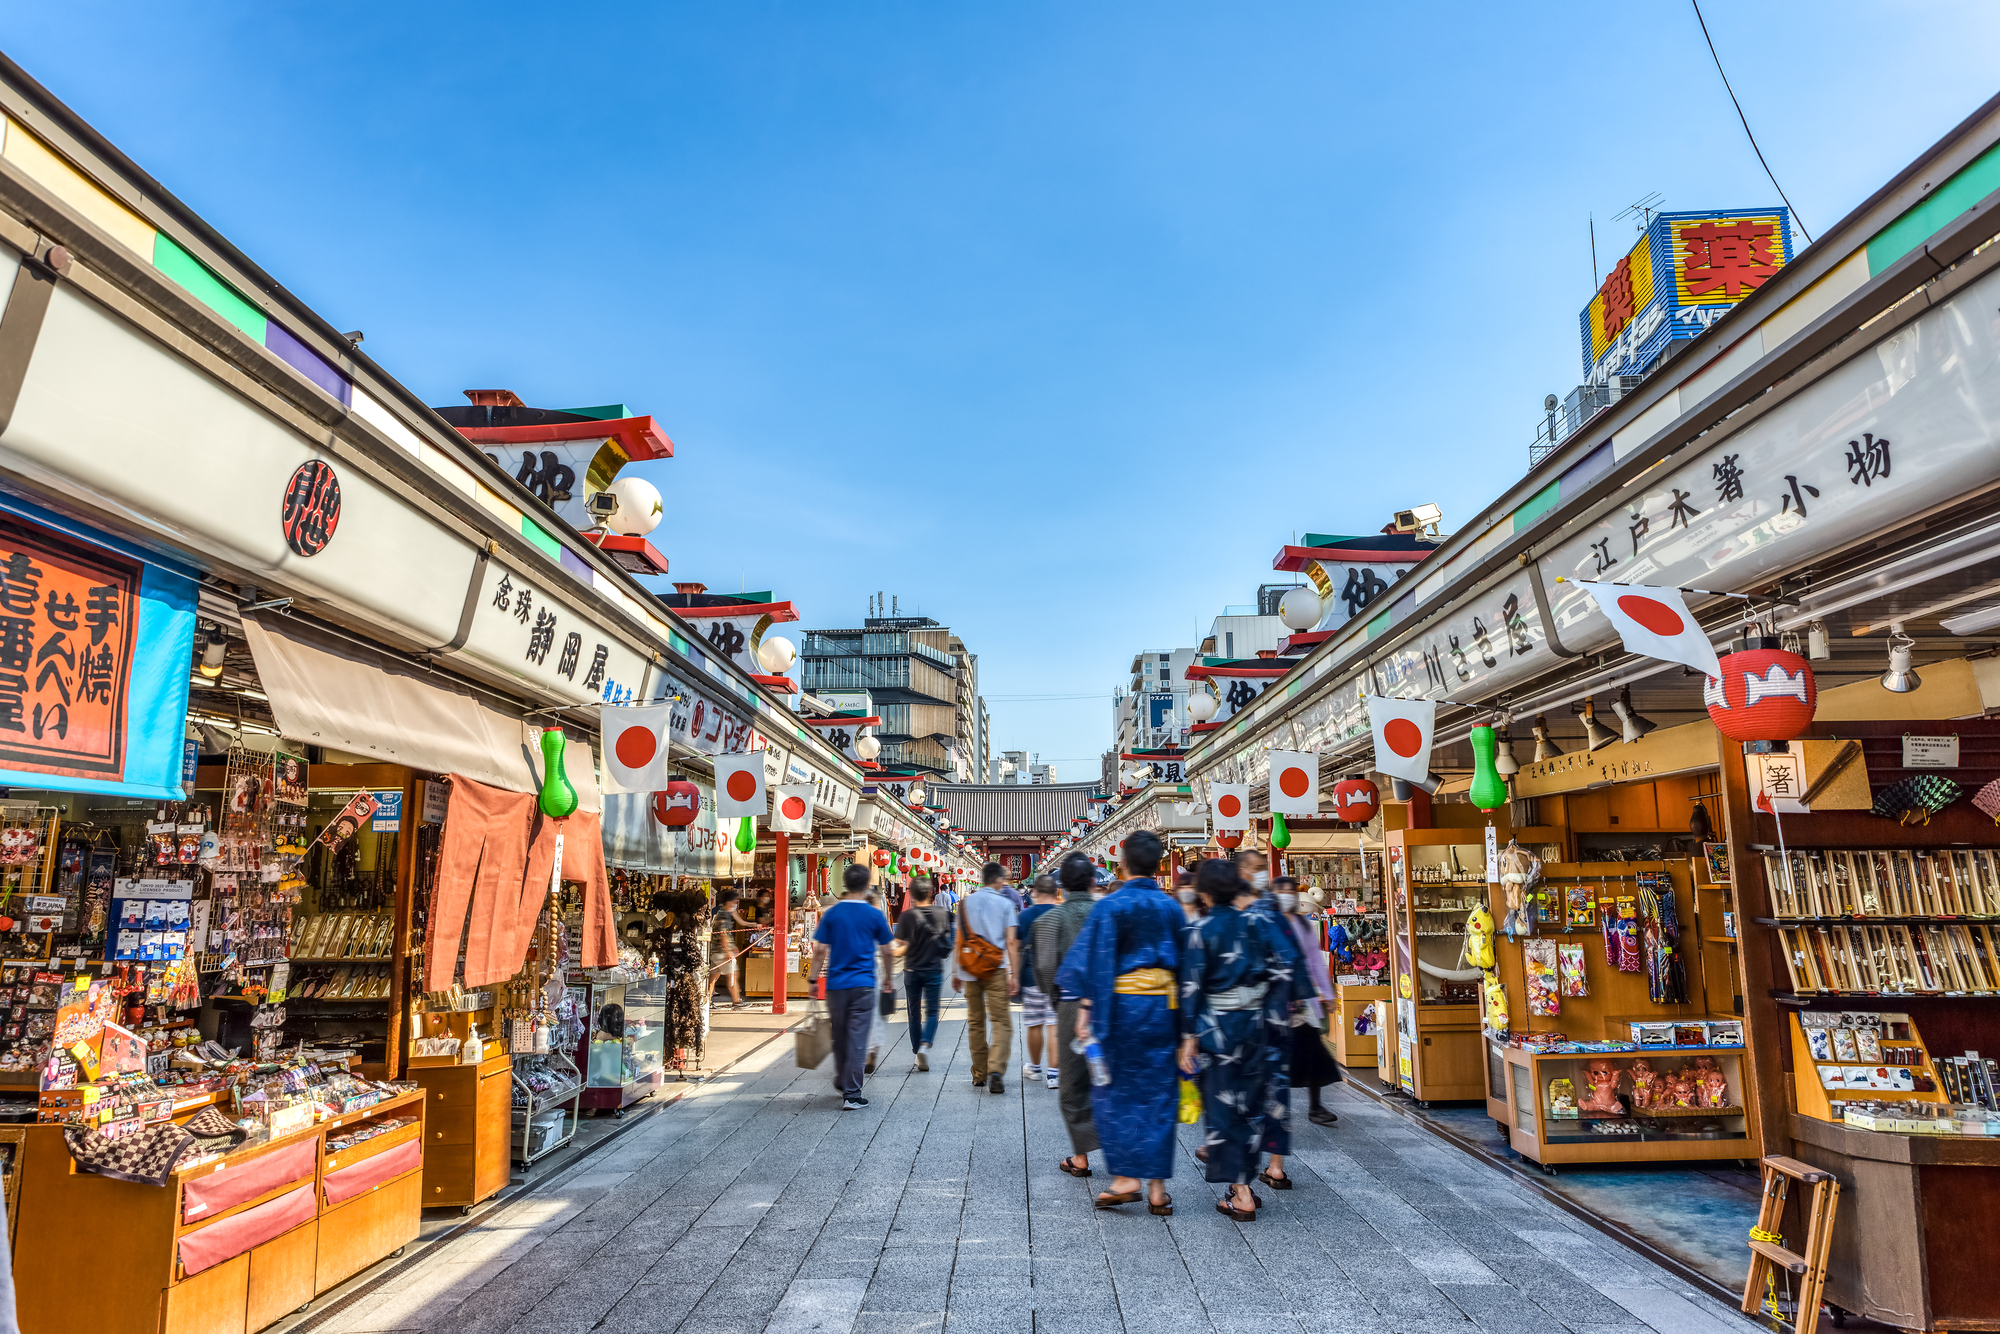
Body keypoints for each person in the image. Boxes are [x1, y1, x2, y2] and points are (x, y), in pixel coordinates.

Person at [1056, 829, 1181, 1217]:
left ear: (1122, 863)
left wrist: (1086, 1013)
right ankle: (1158, 1189)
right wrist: (1190, 1030)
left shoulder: (1110, 907)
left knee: (1117, 1091)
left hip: (1121, 1009)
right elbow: (1190, 967)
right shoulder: (1172, 908)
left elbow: (1093, 961)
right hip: (1165, 1009)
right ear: (1159, 865)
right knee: (1160, 1094)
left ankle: (1127, 1179)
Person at [1178, 858, 1276, 1221]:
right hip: (1256, 1025)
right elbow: (1279, 972)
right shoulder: (1259, 924)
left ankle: (1242, 1192)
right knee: (1251, 1106)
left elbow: (1191, 987)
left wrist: (1188, 1038)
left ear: (1203, 893)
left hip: (1217, 1029)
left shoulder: (1199, 930)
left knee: (1222, 1108)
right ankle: (1245, 1180)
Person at [1237, 848, 1302, 1189]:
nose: (1263, 873)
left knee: (1245, 1090)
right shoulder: (1273, 911)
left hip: (1246, 1015)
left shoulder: (1236, 910)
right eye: (1258, 868)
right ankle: (1274, 1166)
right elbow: (1292, 958)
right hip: (1276, 1013)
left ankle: (1245, 1175)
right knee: (1276, 1088)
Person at [809, 865, 895, 1110]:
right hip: (864, 985)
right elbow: (887, 950)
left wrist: (814, 980)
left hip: (836, 986)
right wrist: (888, 977)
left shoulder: (832, 914)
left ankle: (841, 1080)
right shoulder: (874, 914)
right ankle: (853, 1094)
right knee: (858, 1039)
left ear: (844, 884)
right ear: (868, 885)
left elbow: (820, 951)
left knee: (839, 1036)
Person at [1037, 853, 1100, 1175]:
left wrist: (1057, 998)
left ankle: (1081, 1157)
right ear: (1092, 882)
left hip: (1072, 1003)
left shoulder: (1049, 920)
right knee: (1111, 1077)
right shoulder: (1107, 912)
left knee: (1073, 1082)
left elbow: (1046, 966)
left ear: (1061, 887)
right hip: (1115, 1002)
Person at [1275, 876, 1340, 1129]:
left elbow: (1314, 961)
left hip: (1302, 1000)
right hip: (1276, 1002)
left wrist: (1328, 993)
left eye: (1289, 893)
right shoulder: (1268, 925)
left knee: (1314, 1052)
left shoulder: (1303, 927)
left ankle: (1316, 1106)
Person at [954, 863, 1021, 1093]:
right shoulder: (1005, 904)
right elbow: (1011, 942)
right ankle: (996, 1070)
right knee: (1001, 1021)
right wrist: (1015, 973)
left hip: (970, 969)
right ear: (999, 880)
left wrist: (955, 971)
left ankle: (979, 1074)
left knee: (975, 1022)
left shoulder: (964, 903)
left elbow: (959, 939)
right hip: (996, 969)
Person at [893, 877, 950, 1070]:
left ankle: (917, 1052)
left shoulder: (907, 917)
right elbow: (947, 938)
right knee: (932, 1011)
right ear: (930, 893)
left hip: (912, 970)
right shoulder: (941, 913)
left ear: (912, 894)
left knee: (913, 1012)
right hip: (933, 969)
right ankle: (926, 1045)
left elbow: (900, 945)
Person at [1016, 878, 1061, 1086]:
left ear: (1034, 893)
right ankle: (1054, 1074)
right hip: (1056, 976)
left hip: (1030, 974)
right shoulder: (1062, 914)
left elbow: (1016, 947)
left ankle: (1034, 1068)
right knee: (1053, 1025)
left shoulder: (1025, 915)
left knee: (1034, 1024)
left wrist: (1014, 976)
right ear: (1056, 892)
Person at [709, 888, 749, 1010]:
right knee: (733, 975)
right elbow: (724, 935)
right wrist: (729, 952)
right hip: (721, 952)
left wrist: (733, 947)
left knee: (713, 978)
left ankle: (707, 1001)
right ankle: (736, 1002)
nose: (736, 904)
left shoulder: (724, 913)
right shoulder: (723, 915)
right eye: (734, 902)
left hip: (716, 951)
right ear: (728, 902)